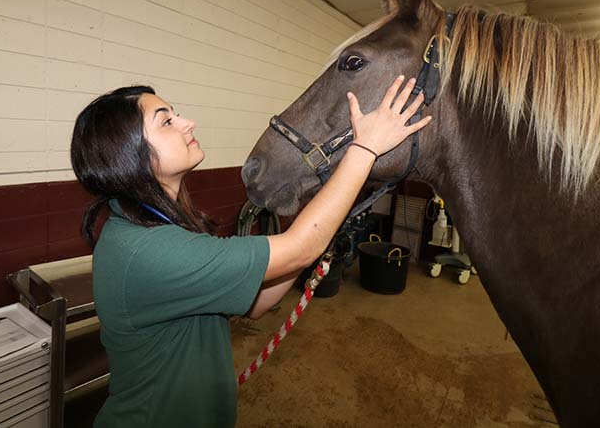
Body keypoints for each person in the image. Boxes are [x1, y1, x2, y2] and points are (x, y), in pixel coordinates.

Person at [70, 76, 431, 427]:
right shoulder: (148, 251)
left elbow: (258, 304)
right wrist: (365, 149)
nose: (186, 122)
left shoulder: (153, 224)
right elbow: (298, 250)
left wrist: (317, 234)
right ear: (128, 156)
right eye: (166, 121)